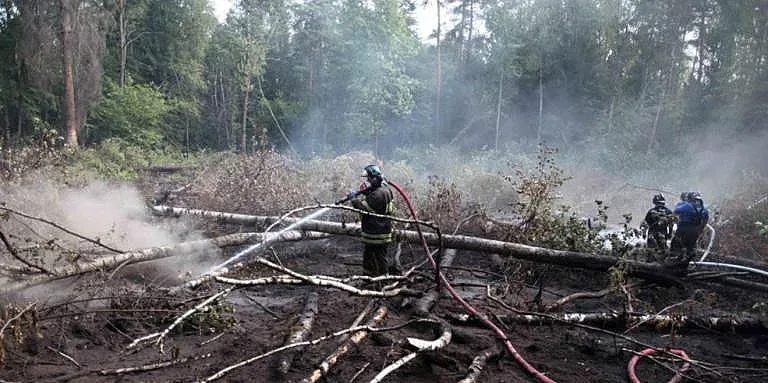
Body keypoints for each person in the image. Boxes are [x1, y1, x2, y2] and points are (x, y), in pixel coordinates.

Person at [347, 164, 396, 277]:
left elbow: (362, 208)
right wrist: (366, 192)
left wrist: (354, 199)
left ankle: (381, 280)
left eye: (369, 178)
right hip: (382, 230)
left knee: (375, 258)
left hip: (376, 233)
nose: (368, 180)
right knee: (376, 256)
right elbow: (378, 206)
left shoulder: (378, 194)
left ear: (375, 178)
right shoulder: (386, 190)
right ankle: (372, 279)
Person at [670, 191, 709, 266]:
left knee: (676, 244)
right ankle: (686, 264)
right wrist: (700, 230)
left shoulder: (687, 206)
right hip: (695, 230)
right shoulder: (704, 208)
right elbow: (705, 220)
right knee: (690, 247)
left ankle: (673, 262)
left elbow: (676, 211)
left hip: (684, 228)